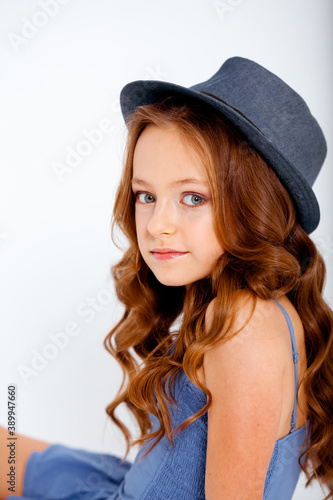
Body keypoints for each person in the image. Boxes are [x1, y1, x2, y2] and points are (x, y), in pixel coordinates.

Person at [1, 56, 332, 500]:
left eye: (193, 197)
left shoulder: (244, 326)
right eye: (146, 195)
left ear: (259, 208)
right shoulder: (244, 307)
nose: (157, 224)